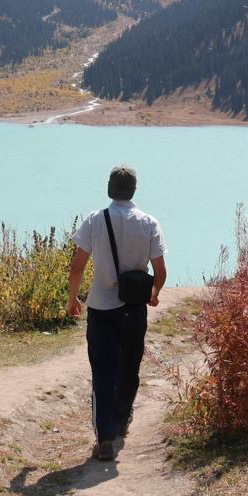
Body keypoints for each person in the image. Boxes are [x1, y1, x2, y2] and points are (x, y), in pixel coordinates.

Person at [67, 165, 166, 462]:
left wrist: (73, 299)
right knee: (129, 367)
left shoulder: (95, 220)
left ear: (110, 189)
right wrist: (154, 295)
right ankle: (122, 420)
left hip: (100, 308)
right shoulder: (149, 223)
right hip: (134, 308)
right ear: (134, 190)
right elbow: (160, 271)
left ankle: (105, 438)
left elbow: (77, 267)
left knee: (103, 371)